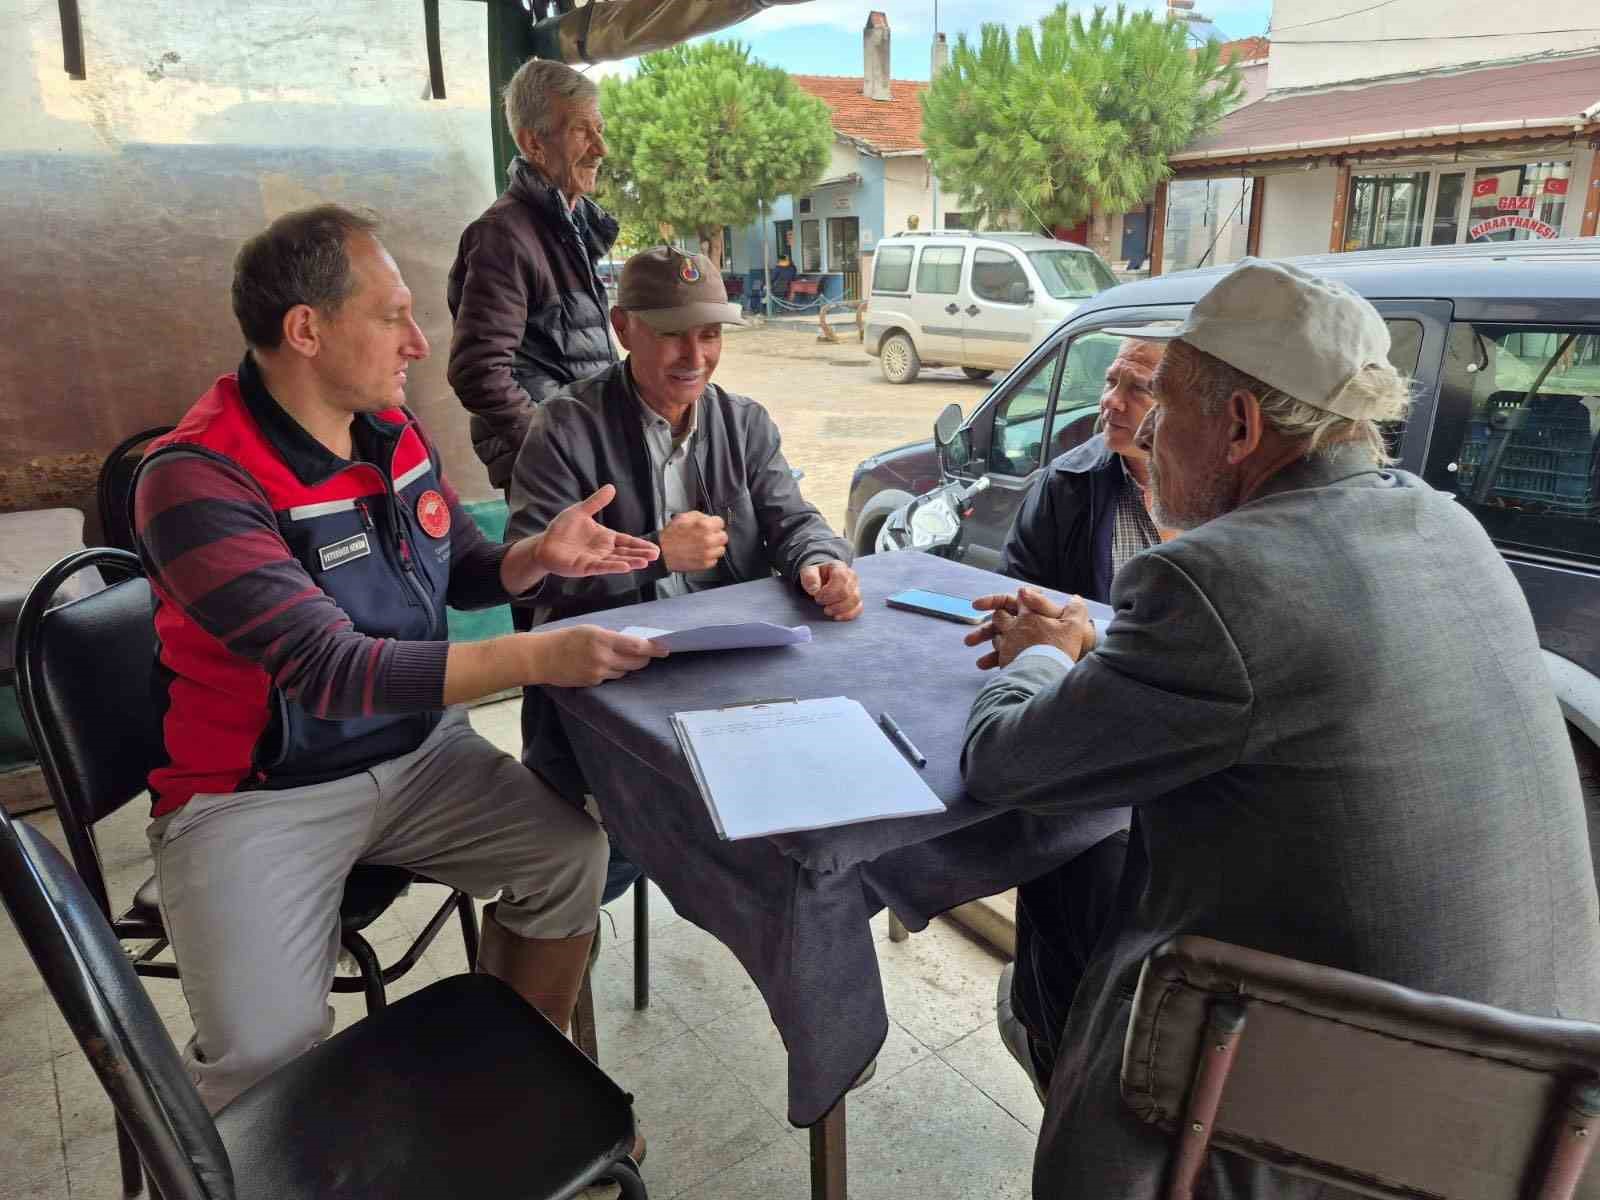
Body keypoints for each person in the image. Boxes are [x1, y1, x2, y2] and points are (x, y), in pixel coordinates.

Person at [960, 258, 1600, 1198]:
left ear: (1240, 426)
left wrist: (1044, 659)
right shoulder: (1450, 526)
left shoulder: (1219, 579)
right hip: (1543, 1111)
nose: (1142, 431)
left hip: (1352, 1116)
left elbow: (1005, 765)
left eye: (1163, 407)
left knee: (1060, 979)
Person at [132, 204, 666, 1112]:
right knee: (264, 1052)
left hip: (416, 757)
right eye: (393, 316)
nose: (419, 342)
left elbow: (458, 565)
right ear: (306, 329)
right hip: (254, 800)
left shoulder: (391, 432)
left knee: (571, 857)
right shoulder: (194, 479)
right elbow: (331, 670)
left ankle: (507, 1090)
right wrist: (535, 656)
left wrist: (533, 559)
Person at [507, 246, 861, 807]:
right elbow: (530, 581)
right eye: (673, 335)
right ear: (623, 328)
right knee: (612, 838)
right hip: (609, 677)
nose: (694, 356)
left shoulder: (744, 422)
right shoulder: (564, 429)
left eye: (710, 335)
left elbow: (792, 519)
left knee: (804, 790)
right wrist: (655, 553)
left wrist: (820, 559)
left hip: (728, 667)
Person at [991, 336, 1167, 1099]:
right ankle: (1060, 1054)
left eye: (1140, 388)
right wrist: (1027, 633)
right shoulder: (1066, 486)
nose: (1113, 402)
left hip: (1181, 750)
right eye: (1112, 381)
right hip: (1091, 738)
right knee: (1077, 852)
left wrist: (1085, 638)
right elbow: (1015, 605)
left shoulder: (1231, 508)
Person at [447, 58, 617, 494]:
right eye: (582, 130)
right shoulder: (503, 236)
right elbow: (478, 370)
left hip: (588, 457)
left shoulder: (570, 229)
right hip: (553, 474)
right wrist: (552, 448)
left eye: (599, 128)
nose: (601, 148)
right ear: (534, 143)